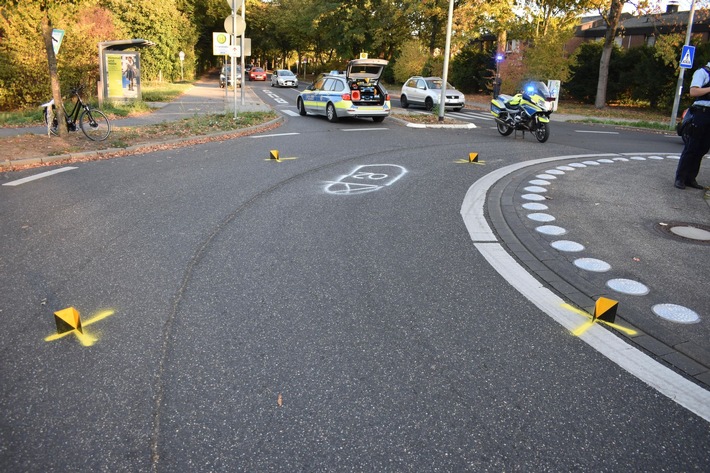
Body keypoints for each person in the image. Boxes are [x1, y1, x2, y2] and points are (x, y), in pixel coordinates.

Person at [675, 61, 710, 190]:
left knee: (703, 148)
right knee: (692, 147)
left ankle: (691, 178)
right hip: (701, 113)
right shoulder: (702, 72)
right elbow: (693, 92)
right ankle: (680, 178)